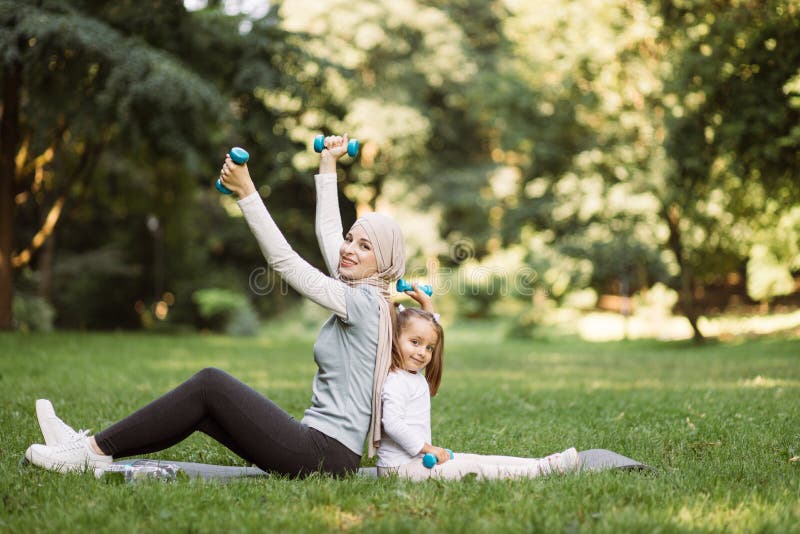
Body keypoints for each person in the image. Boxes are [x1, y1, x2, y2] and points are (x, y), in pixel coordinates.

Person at [24, 134, 406, 478]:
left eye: (364, 246)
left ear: (385, 261)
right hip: (321, 450)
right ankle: (90, 449)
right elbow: (328, 235)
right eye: (351, 240)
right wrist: (328, 164)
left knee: (210, 383)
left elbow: (285, 262)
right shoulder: (362, 293)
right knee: (204, 408)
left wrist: (247, 194)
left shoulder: (363, 302)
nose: (349, 249)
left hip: (323, 455)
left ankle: (90, 452)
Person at [377, 294, 580, 481]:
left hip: (413, 461)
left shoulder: (410, 375)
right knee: (473, 468)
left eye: (429, 347)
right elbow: (393, 424)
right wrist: (428, 448)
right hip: (399, 469)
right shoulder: (395, 380)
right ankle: (537, 472)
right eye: (415, 342)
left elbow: (424, 330)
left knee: (477, 458)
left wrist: (428, 308)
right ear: (394, 339)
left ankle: (540, 464)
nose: (422, 352)